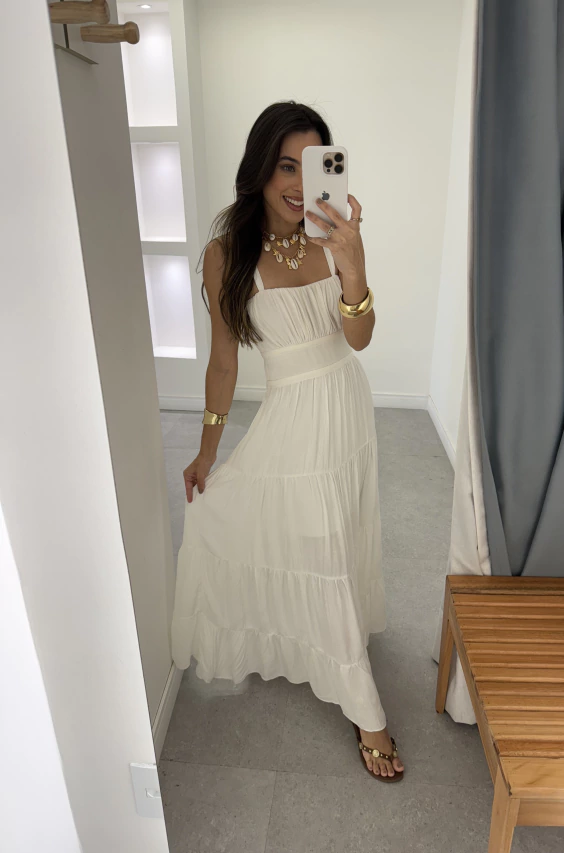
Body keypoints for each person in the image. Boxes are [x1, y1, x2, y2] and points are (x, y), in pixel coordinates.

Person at [170, 101, 404, 781]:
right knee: (316, 545)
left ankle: (340, 640)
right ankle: (366, 709)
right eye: (285, 166)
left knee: (341, 530)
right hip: (293, 415)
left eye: (313, 164)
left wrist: (353, 265)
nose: (300, 184)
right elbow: (223, 362)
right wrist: (208, 449)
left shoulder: (334, 236)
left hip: (346, 404)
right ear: (260, 170)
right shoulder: (225, 255)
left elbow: (358, 337)